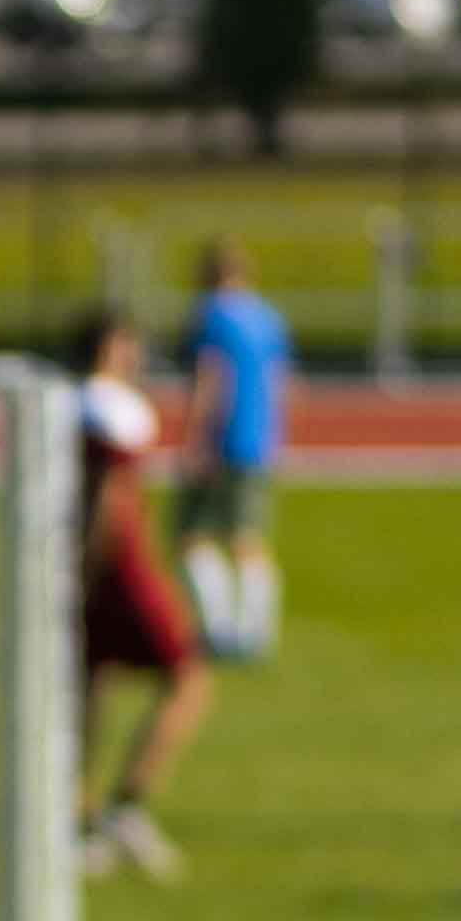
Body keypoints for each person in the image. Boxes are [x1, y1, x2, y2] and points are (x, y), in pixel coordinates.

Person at [73, 308, 211, 878]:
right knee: (190, 677)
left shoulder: (70, 403)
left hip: (86, 564)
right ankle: (125, 808)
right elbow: (111, 496)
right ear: (111, 346)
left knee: (89, 686)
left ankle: (79, 822)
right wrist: (97, 564)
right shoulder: (111, 408)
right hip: (118, 565)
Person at [176, 241, 294, 664]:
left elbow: (211, 377)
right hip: (260, 439)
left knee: (194, 537)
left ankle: (220, 628)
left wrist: (196, 436)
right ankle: (257, 630)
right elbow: (280, 382)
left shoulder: (212, 316)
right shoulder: (270, 317)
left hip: (222, 437)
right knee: (249, 537)